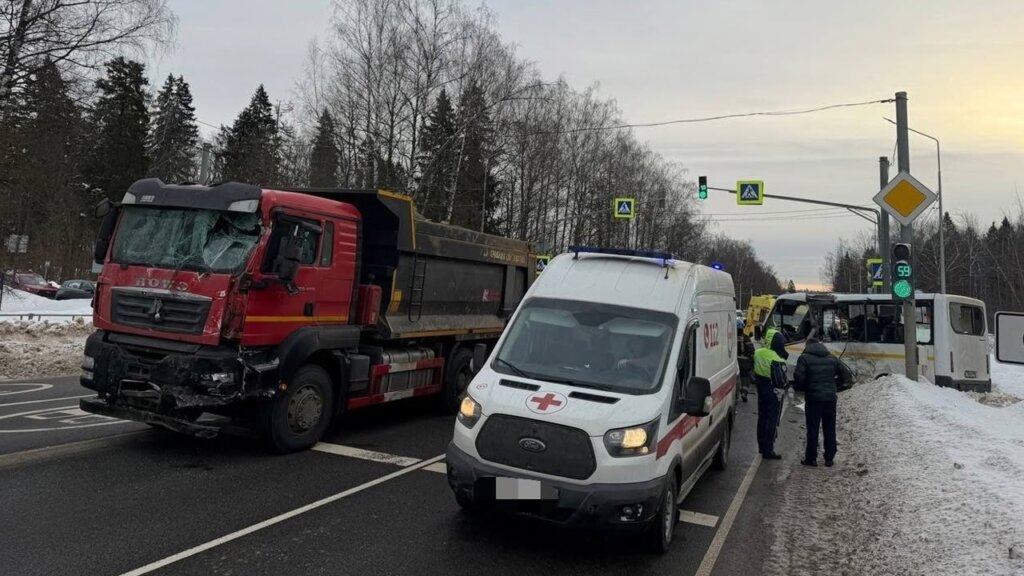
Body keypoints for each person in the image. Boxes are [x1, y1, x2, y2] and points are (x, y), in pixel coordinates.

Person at [794, 336, 852, 467]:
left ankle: (811, 458)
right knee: (829, 427)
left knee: (813, 428)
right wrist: (835, 386)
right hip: (830, 398)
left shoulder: (804, 358)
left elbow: (799, 378)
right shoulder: (832, 358)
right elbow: (847, 375)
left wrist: (804, 387)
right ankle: (829, 458)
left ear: (807, 346)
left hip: (813, 398)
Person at [753, 326, 789, 459]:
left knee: (762, 418)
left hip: (761, 390)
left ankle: (762, 446)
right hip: (774, 393)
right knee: (771, 420)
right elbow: (781, 380)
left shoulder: (758, 353)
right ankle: (769, 449)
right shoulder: (776, 359)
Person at [736, 327, 755, 402]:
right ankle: (744, 393)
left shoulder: (731, 336)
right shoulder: (746, 337)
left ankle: (735, 394)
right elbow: (751, 350)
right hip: (745, 361)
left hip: (736, 361)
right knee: (745, 377)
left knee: (736, 378)